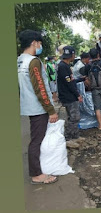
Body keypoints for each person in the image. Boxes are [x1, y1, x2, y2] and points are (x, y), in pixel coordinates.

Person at [17, 29, 59, 185]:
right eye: (40, 43)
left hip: (29, 107)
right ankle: (36, 174)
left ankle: (39, 169)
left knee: (36, 138)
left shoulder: (20, 60)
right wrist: (51, 110)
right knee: (37, 141)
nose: (40, 46)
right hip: (38, 108)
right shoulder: (33, 61)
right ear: (34, 43)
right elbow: (40, 89)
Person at [57, 46, 83, 141]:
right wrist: (78, 95)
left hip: (68, 95)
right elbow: (69, 83)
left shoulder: (64, 65)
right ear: (72, 55)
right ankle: (69, 137)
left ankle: (75, 136)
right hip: (69, 96)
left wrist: (81, 79)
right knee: (74, 117)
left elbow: (71, 80)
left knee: (71, 117)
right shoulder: (63, 67)